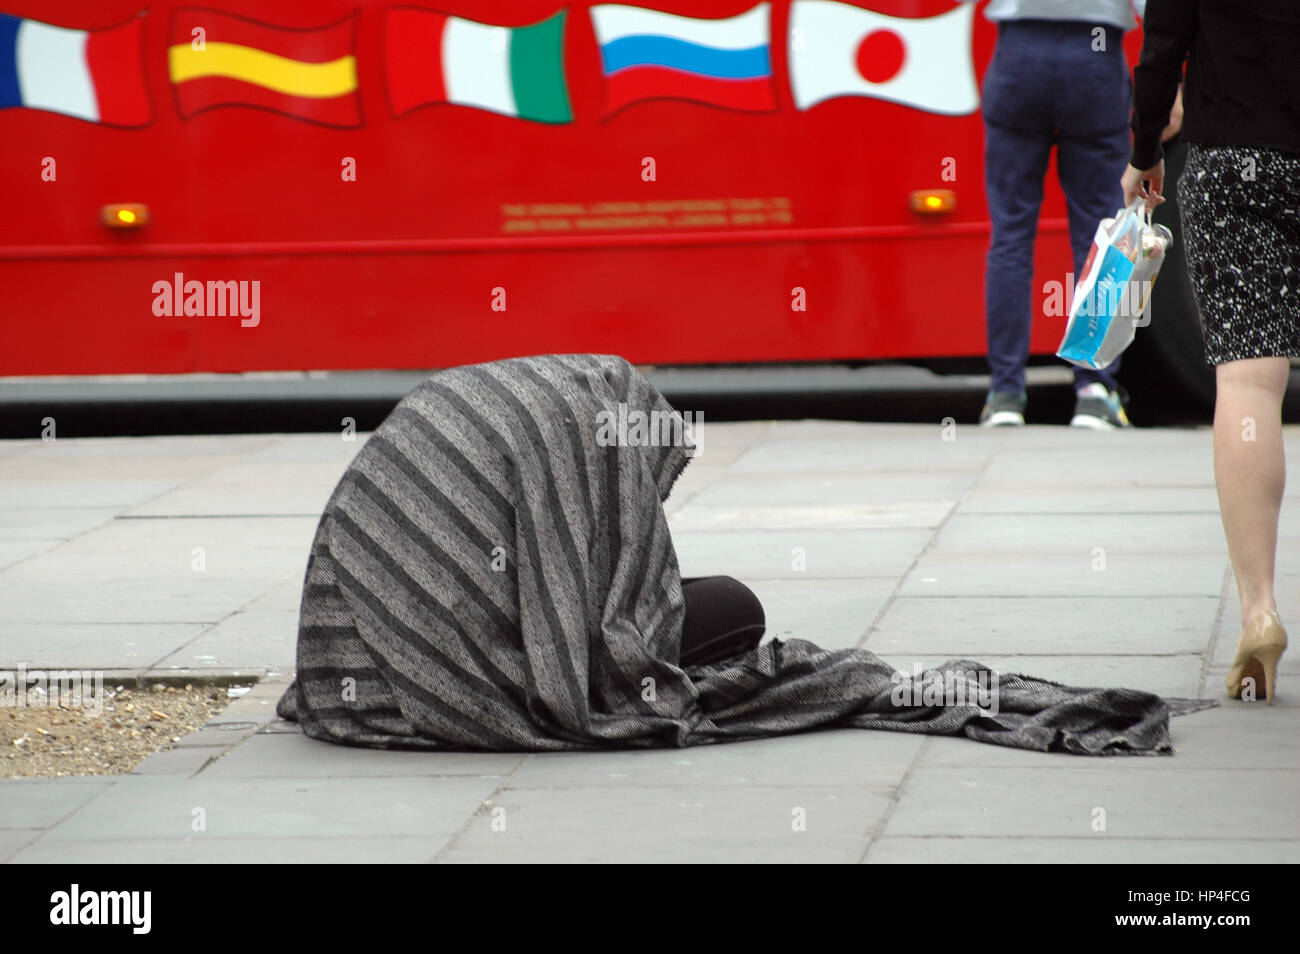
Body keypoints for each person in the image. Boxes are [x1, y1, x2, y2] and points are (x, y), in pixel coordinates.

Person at [276, 353, 1210, 754]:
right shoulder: (578, 455)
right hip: (469, 663)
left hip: (345, 653)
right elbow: (609, 632)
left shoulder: (536, 410)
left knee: (689, 599)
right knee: (737, 611)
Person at [1124, 0, 1299, 703]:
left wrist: (1144, 152)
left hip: (1235, 159)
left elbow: (1162, 45)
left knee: (1250, 383)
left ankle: (1259, 610)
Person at [967, 0, 1179, 428]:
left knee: (1010, 234)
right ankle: (1093, 389)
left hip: (1018, 56)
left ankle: (1006, 393)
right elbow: (1157, 10)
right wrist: (1172, 83)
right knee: (1100, 233)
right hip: (1094, 58)